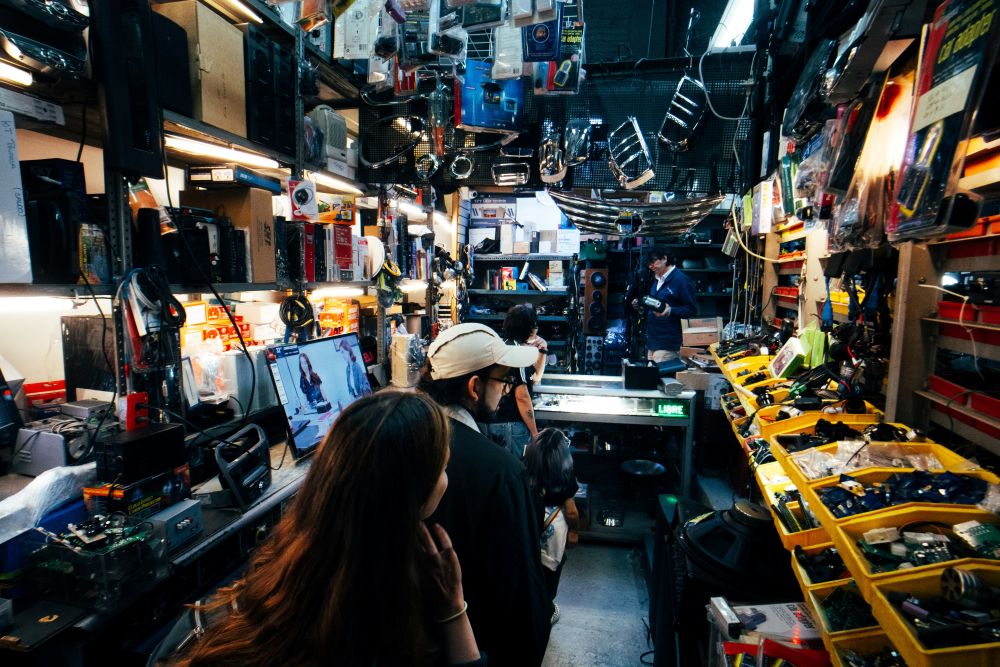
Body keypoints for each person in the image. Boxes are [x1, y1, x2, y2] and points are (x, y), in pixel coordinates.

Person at [165, 390, 485, 667]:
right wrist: (453, 609)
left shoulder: (275, 575)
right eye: (443, 467)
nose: (447, 476)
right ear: (409, 496)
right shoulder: (380, 631)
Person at [418, 323, 553, 667]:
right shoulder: (501, 473)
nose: (507, 390)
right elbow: (522, 599)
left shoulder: (405, 442)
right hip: (477, 647)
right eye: (503, 380)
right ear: (474, 387)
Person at [522, 428, 579, 626]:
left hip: (530, 522)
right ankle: (546, 610)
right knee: (551, 571)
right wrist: (574, 531)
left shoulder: (526, 468)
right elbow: (571, 511)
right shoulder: (566, 476)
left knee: (531, 568)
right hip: (554, 528)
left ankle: (530, 607)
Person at [482, 304, 548, 459]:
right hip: (510, 426)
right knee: (517, 470)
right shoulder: (516, 353)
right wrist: (535, 433)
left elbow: (536, 378)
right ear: (529, 328)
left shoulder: (503, 346)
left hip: (492, 422)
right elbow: (522, 396)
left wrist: (543, 350)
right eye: (534, 325)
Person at [631, 247, 698, 362]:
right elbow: (656, 307)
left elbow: (692, 310)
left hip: (667, 344)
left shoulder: (681, 280)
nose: (650, 266)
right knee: (652, 377)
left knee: (659, 378)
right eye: (649, 264)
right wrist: (641, 308)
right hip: (652, 341)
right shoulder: (657, 280)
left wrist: (671, 310)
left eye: (653, 262)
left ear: (664, 259)